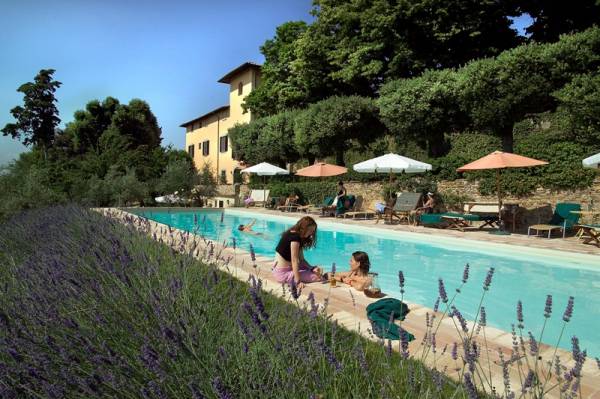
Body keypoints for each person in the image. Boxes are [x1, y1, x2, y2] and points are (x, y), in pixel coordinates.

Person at [272, 216, 322, 289]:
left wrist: (312, 268)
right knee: (318, 277)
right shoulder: (295, 238)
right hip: (283, 273)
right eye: (310, 230)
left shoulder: (295, 234)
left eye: (313, 231)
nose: (311, 234)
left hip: (285, 269)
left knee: (317, 271)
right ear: (304, 228)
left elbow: (301, 260)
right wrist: (297, 281)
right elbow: (294, 260)